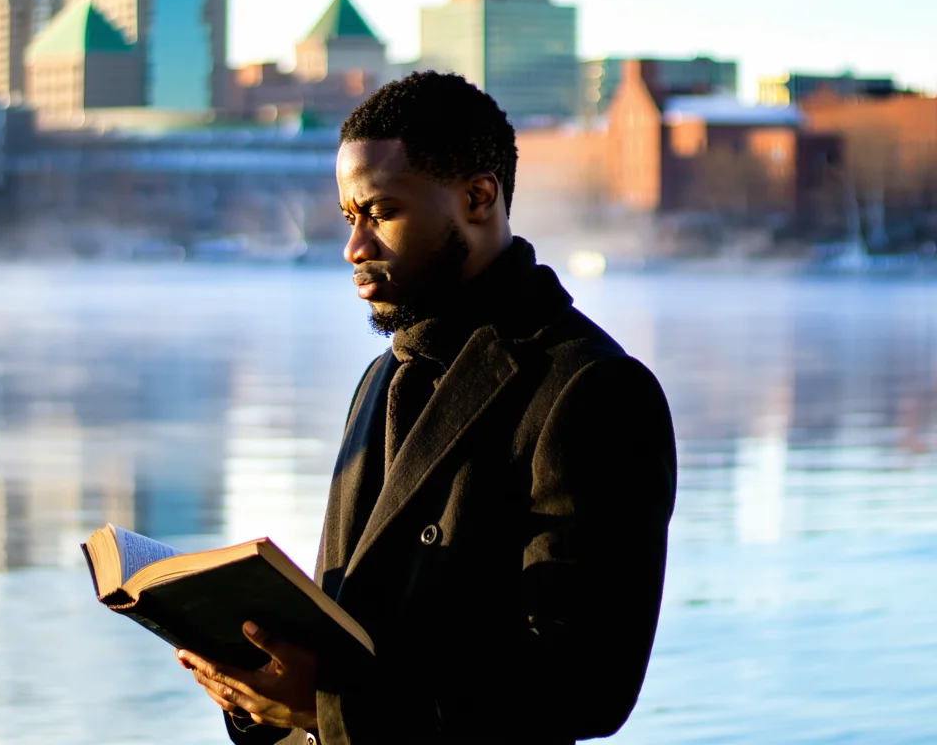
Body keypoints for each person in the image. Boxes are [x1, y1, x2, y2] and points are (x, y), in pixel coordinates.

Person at [177, 71, 677, 744]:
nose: (355, 248)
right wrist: (258, 691)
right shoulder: (381, 378)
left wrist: (326, 707)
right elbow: (349, 633)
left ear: (478, 197)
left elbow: (585, 685)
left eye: (382, 213)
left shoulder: (595, 389)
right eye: (350, 218)